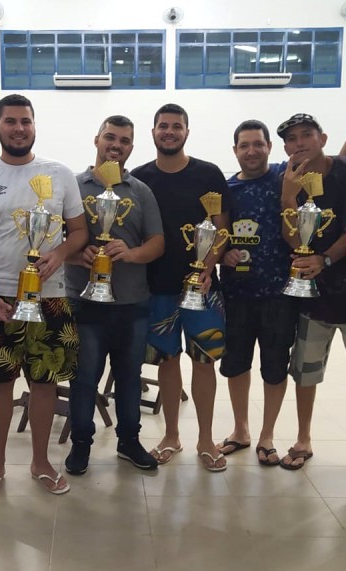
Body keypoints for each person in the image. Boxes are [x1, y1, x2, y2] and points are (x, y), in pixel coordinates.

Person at [218, 95, 346, 468]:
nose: (252, 150)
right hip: (238, 292)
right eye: (245, 145)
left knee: (274, 367)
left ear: (272, 148)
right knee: (236, 365)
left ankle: (267, 435)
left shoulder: (288, 173)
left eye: (259, 144)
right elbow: (221, 232)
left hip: (282, 293)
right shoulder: (228, 188)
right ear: (235, 150)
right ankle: (240, 429)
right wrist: (222, 253)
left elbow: (341, 164)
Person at [0, 94, 88, 498]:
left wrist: (61, 252)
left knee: (44, 383)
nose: (19, 128)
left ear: (35, 125)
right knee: (0, 383)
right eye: (11, 121)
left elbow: (80, 231)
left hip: (50, 297)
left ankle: (40, 461)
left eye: (26, 121)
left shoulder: (59, 174)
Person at [131, 103, 232, 472]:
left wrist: (207, 268)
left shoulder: (208, 174)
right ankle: (171, 435)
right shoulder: (139, 178)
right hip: (156, 288)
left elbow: (221, 229)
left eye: (177, 126)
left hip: (202, 288)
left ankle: (205, 440)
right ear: (153, 131)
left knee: (204, 362)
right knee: (167, 362)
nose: (169, 132)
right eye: (163, 126)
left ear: (187, 132)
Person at [277, 112, 346, 471]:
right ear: (286, 146)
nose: (300, 142)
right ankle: (303, 437)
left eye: (307, 134)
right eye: (293, 138)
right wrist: (289, 198)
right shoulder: (286, 177)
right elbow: (292, 238)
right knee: (305, 371)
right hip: (310, 296)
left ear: (322, 137)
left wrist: (326, 259)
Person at [64, 115, 164, 475]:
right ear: (96, 139)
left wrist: (130, 253)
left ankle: (129, 441)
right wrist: (77, 254)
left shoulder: (140, 191)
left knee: (129, 376)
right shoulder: (72, 186)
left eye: (124, 141)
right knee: (85, 378)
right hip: (84, 302)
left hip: (132, 304)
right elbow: (54, 240)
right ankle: (81, 445)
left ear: (131, 148)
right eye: (110, 137)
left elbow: (157, 242)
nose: (116, 145)